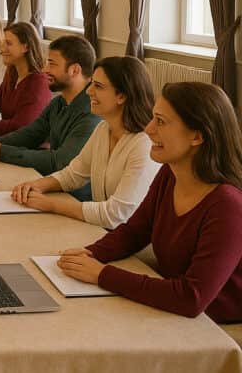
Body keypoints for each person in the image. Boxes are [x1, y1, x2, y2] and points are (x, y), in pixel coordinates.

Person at [58, 83, 242, 322]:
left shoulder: (228, 205)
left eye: (161, 121)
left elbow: (192, 298)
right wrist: (91, 253)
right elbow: (135, 231)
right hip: (172, 306)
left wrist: (103, 274)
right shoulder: (169, 174)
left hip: (214, 326)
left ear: (197, 136)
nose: (148, 129)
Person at [11, 56, 160, 228]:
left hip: (132, 248)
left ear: (121, 96)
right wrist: (36, 185)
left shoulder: (143, 145)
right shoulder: (103, 129)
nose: (88, 91)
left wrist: (51, 205)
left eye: (98, 86)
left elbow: (116, 215)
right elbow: (74, 174)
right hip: (103, 232)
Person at [0, 34, 101, 183]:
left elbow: (60, 161)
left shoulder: (92, 113)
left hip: (75, 196)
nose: (45, 69)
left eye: (52, 64)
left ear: (75, 70)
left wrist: (1, 151)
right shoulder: (59, 102)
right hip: (52, 182)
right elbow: (31, 134)